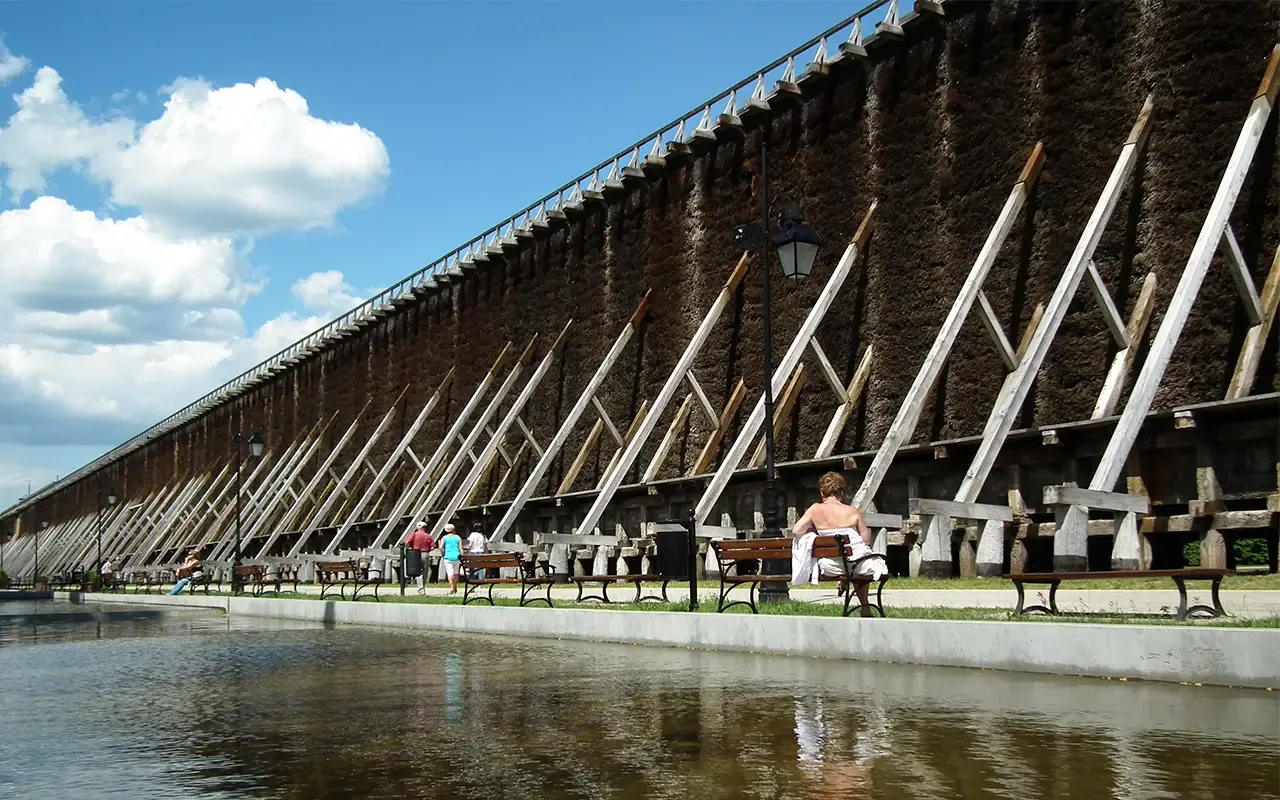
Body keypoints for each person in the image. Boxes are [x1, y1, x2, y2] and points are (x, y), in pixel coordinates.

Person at [790, 471, 888, 617]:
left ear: (822, 493)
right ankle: (865, 606)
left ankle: (844, 580)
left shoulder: (815, 510)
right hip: (857, 564)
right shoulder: (851, 511)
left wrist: (813, 531)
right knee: (859, 561)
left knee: (848, 562)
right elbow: (866, 539)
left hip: (830, 566)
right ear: (841, 492)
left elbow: (796, 531)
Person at [404, 524, 435, 595]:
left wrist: (409, 549)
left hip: (415, 553)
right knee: (425, 571)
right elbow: (432, 547)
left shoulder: (414, 534)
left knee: (418, 571)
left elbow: (407, 543)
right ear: (425, 528)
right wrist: (428, 550)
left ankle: (420, 588)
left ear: (417, 528)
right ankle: (422, 587)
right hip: (425, 553)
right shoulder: (428, 536)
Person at [439, 523, 464, 595]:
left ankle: (452, 587)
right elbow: (460, 548)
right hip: (457, 556)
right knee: (456, 573)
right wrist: (462, 556)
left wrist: (442, 554)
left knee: (450, 573)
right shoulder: (458, 537)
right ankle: (455, 586)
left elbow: (440, 547)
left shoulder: (444, 538)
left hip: (448, 557)